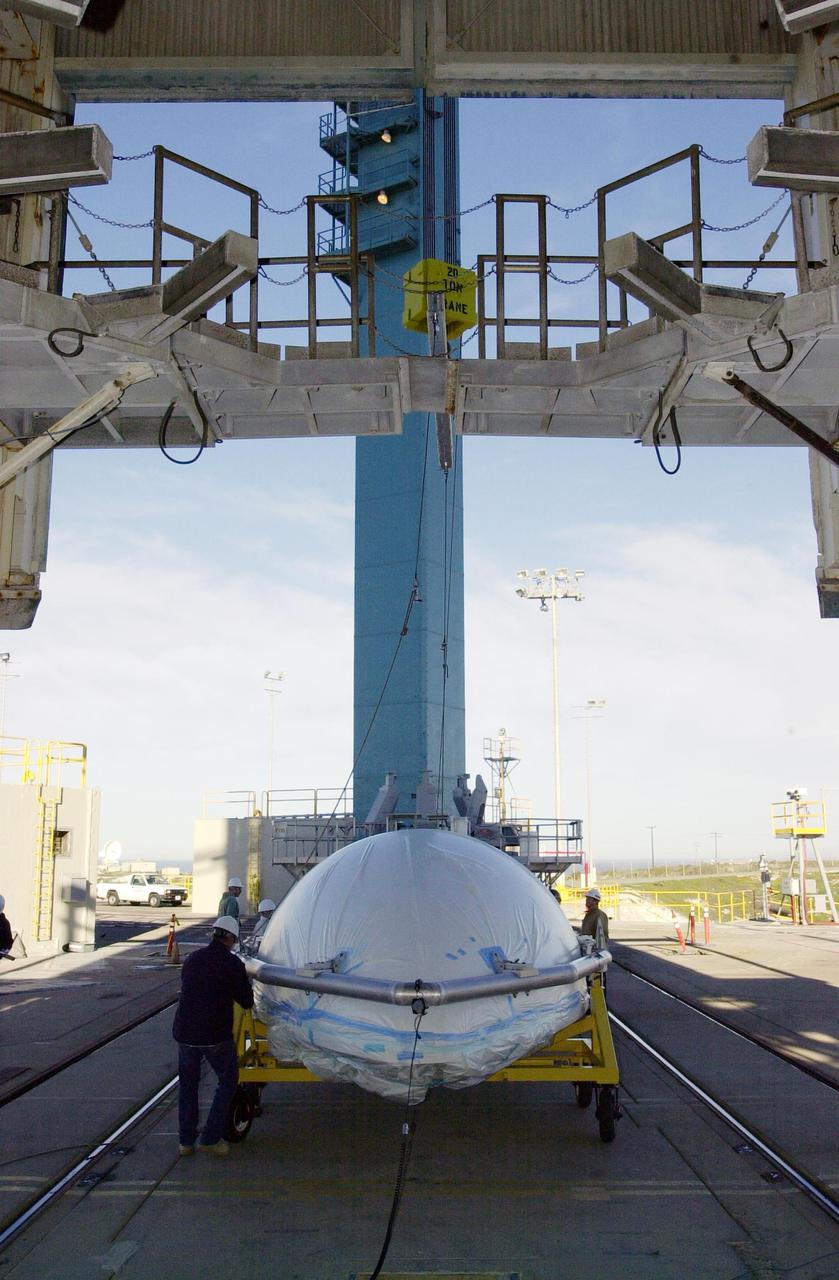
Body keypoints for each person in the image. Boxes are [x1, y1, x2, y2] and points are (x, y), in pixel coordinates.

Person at [172, 915, 254, 1156]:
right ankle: (210, 1138)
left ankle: (186, 1141)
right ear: (230, 938)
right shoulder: (232, 964)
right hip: (215, 1035)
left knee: (188, 1086)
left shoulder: (193, 959)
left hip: (185, 1033)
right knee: (228, 1081)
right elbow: (246, 1001)